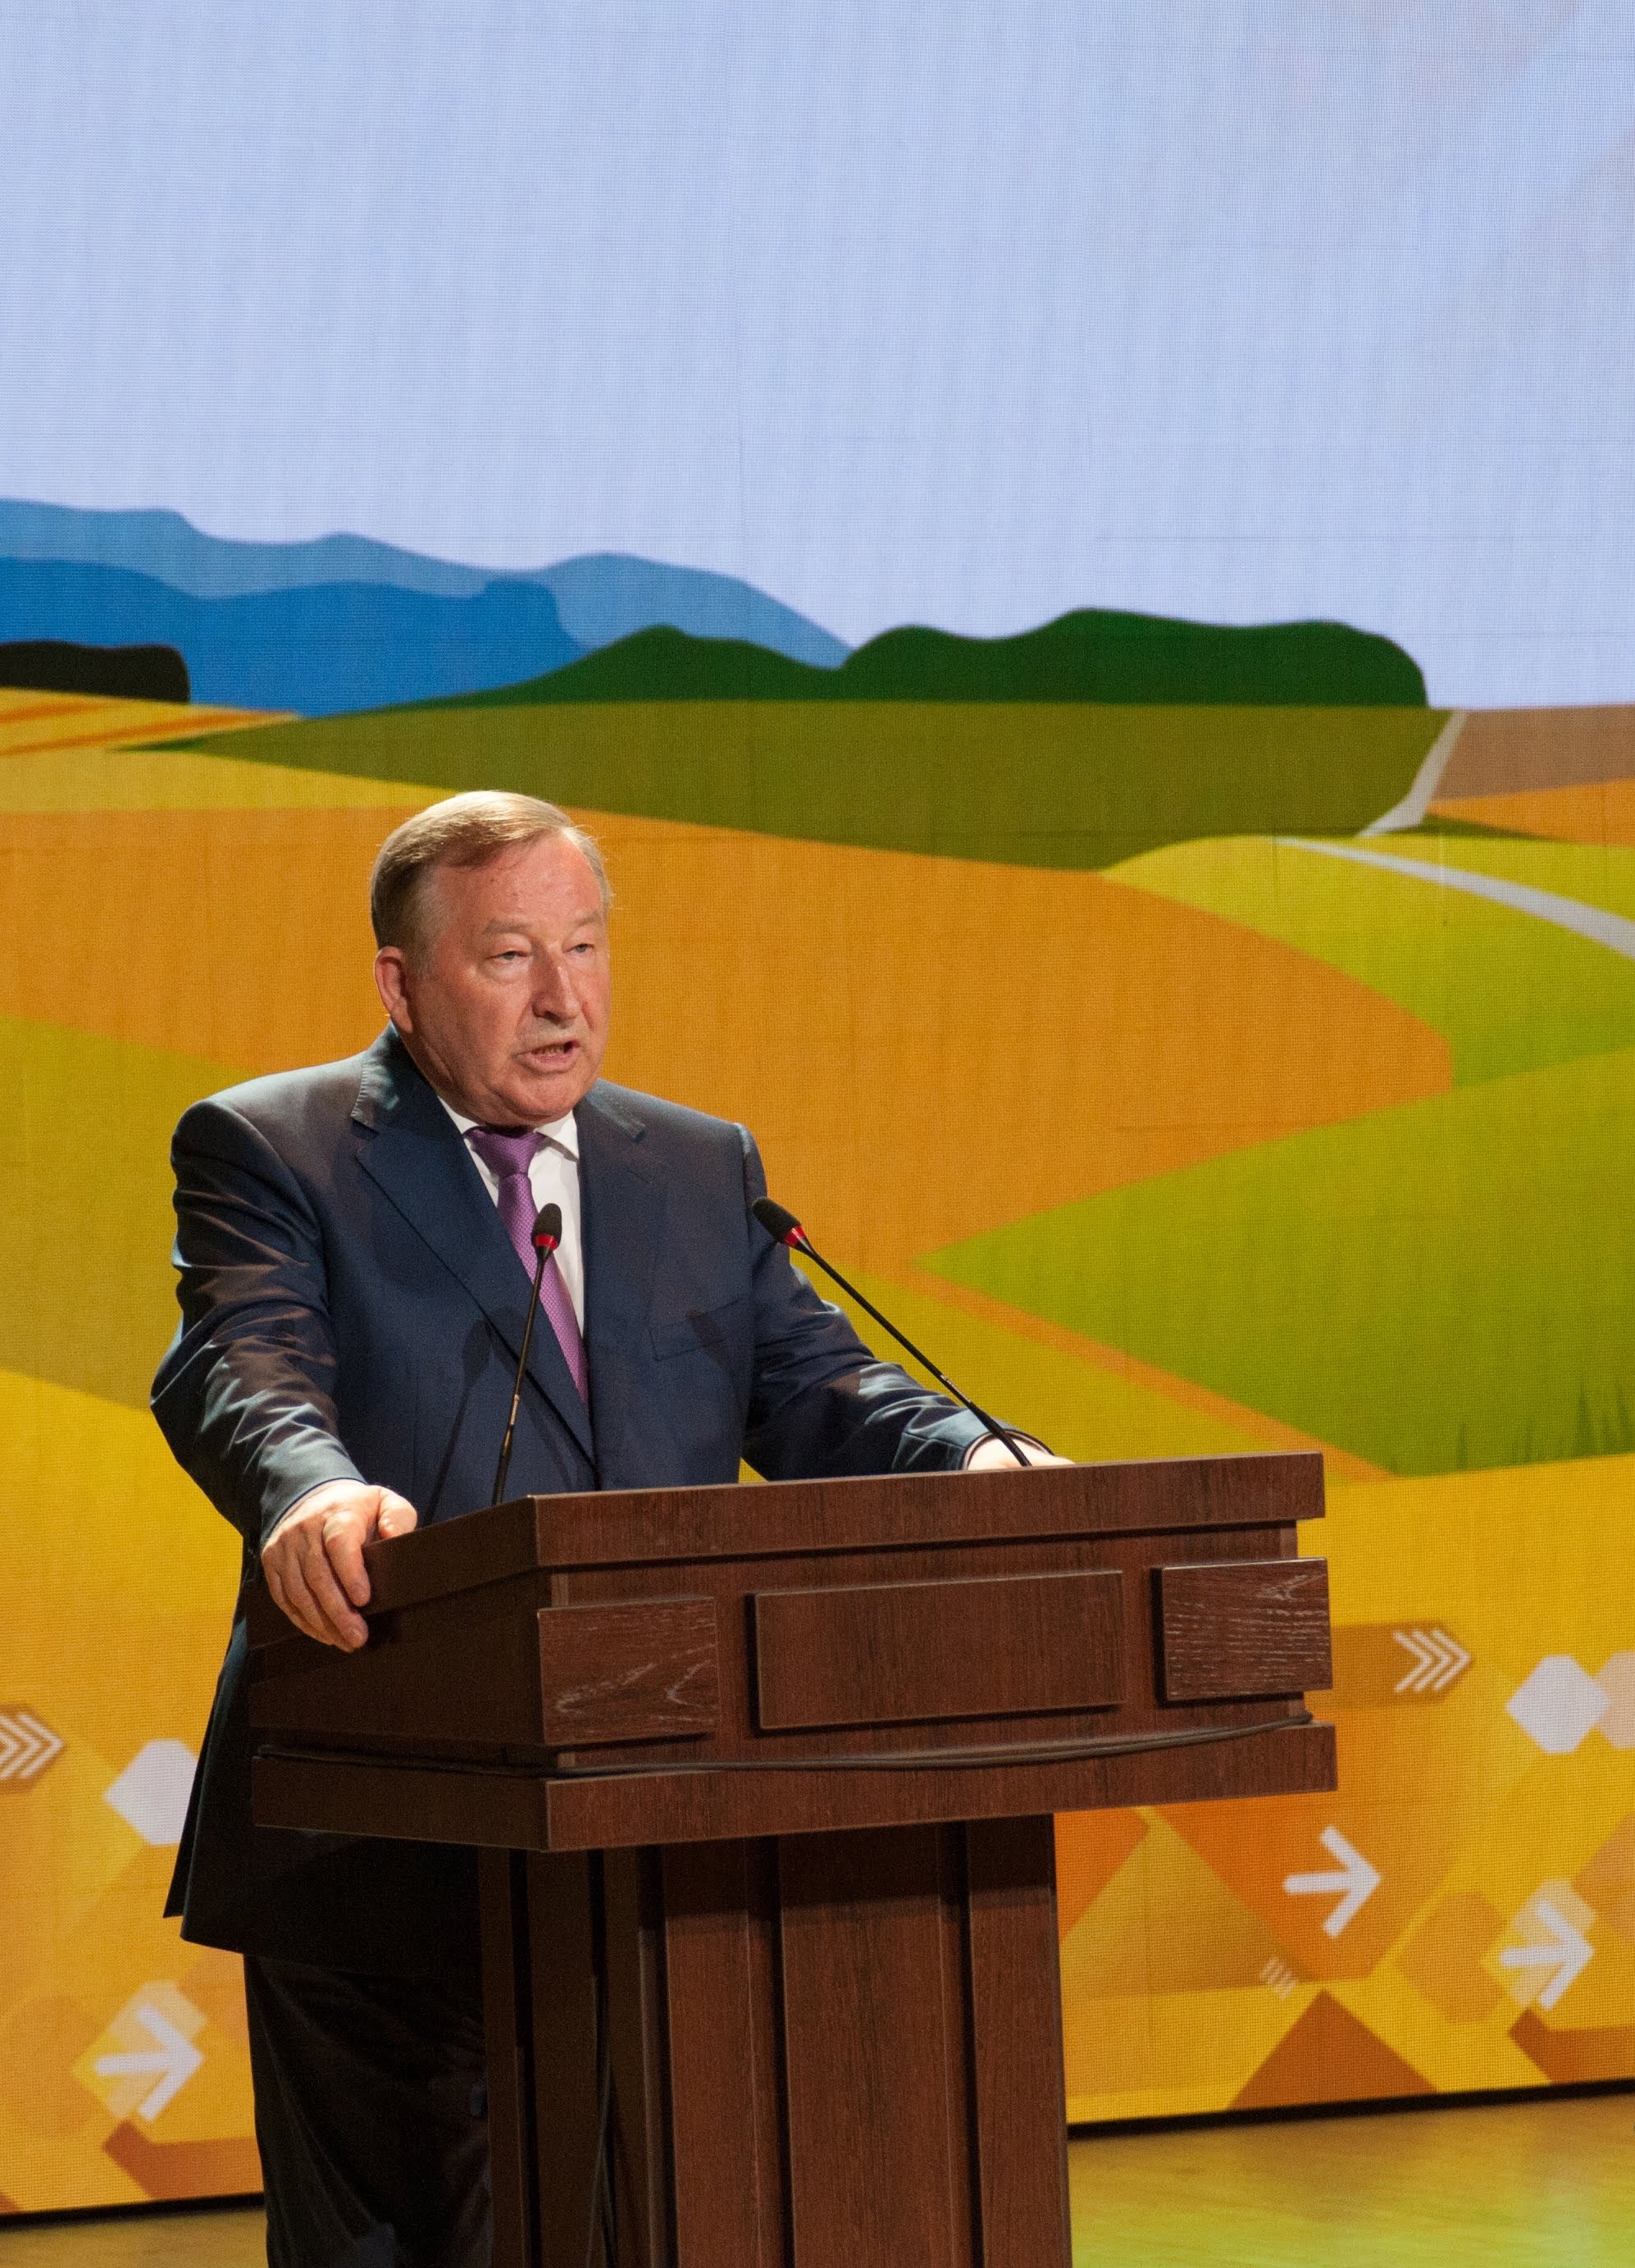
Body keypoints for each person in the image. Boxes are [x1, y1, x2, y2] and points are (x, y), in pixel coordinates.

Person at [148, 790, 1052, 2268]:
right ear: (401, 984)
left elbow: (815, 1387)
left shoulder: (694, 1165)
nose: (564, 998)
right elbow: (243, 1364)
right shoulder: (275, 1148)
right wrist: (309, 1489)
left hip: (669, 1830)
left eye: (584, 947)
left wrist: (972, 1453)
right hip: (381, 1827)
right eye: (510, 956)